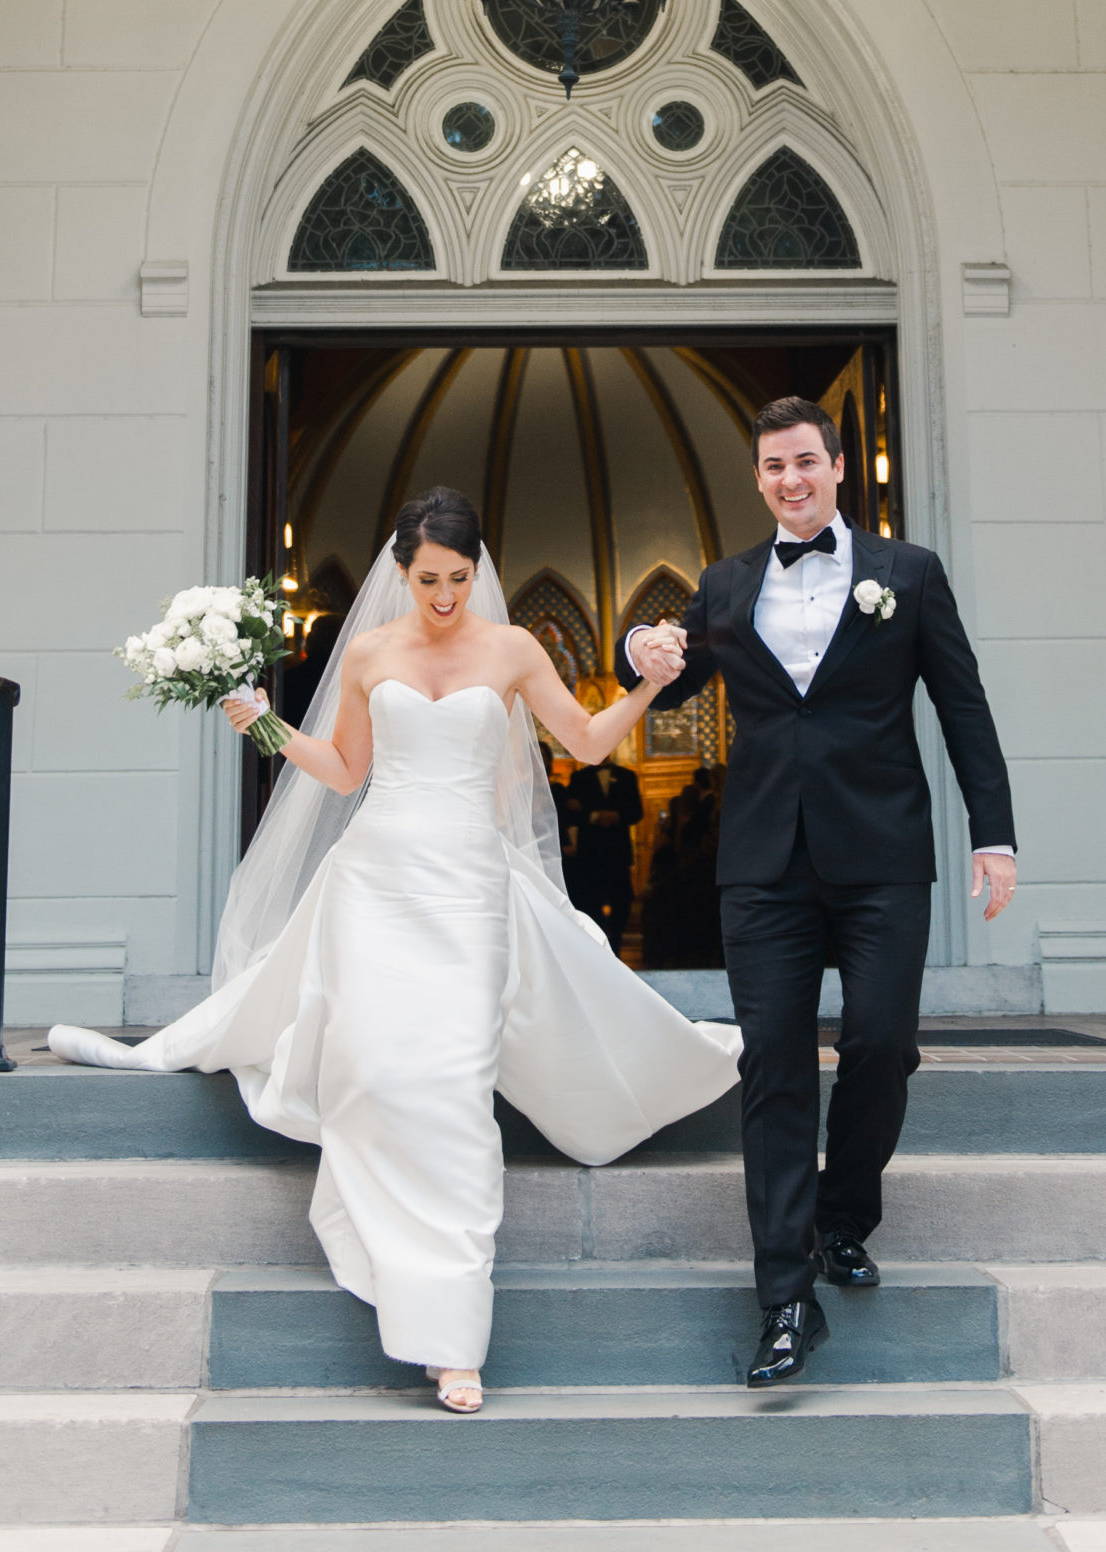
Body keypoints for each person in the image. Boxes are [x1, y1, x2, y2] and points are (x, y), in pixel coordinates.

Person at [50, 487, 738, 1416]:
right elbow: (344, 770)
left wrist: (650, 686)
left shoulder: (514, 649)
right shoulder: (371, 653)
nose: (446, 594)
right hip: (376, 880)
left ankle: (453, 1338)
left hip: (468, 890)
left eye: (459, 577)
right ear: (402, 571)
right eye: (428, 578)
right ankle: (406, 1280)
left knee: (453, 1086)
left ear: (477, 570)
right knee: (374, 1070)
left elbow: (585, 742)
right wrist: (261, 723)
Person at [622, 397, 1016, 1388]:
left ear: (838, 467)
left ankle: (845, 1214)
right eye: (772, 467)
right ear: (757, 479)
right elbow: (672, 687)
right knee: (776, 1066)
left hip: (883, 852)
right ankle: (787, 1298)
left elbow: (962, 704)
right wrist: (644, 653)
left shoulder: (907, 574)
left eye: (805, 461)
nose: (790, 480)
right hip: (763, 866)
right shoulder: (724, 583)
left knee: (883, 1042)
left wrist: (994, 833)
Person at [565, 754, 644, 951]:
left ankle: (616, 941)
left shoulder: (627, 776)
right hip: (590, 853)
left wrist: (616, 816)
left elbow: (636, 811)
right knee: (591, 901)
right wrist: (594, 816)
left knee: (622, 900)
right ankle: (597, 945)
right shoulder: (579, 778)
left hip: (618, 851)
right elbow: (571, 812)